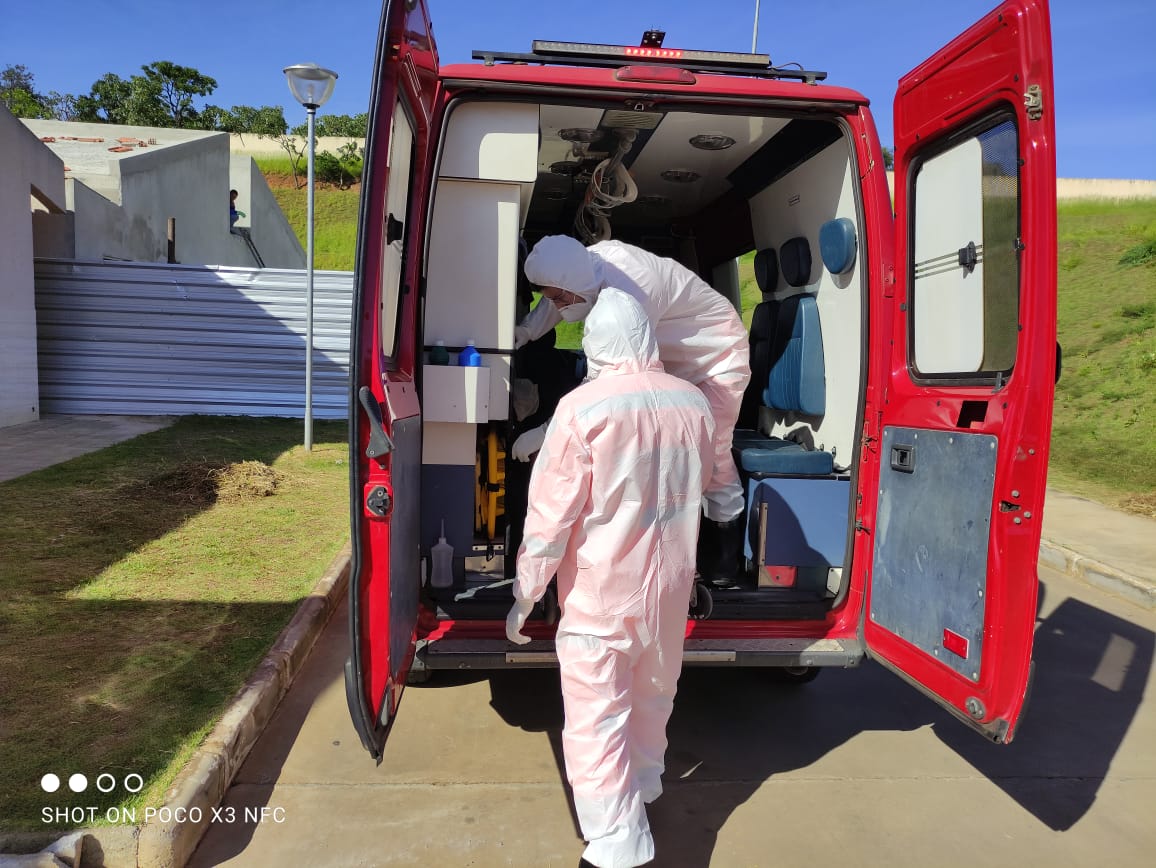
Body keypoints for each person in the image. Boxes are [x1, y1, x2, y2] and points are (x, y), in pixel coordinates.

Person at [506, 288, 716, 868]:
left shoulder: (581, 409)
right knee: (654, 693)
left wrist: (526, 594)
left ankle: (616, 845)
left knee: (597, 714)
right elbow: (702, 485)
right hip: (670, 587)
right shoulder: (694, 403)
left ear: (595, 343)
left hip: (602, 593)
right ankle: (644, 787)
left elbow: (549, 520)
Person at [513, 235, 750, 583]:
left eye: (562, 298)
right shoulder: (581, 265)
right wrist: (525, 332)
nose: (560, 307)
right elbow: (555, 298)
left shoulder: (630, 290)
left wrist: (546, 433)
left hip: (714, 356)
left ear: (574, 284)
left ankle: (723, 564)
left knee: (712, 452)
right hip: (668, 361)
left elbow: (602, 387)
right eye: (552, 296)